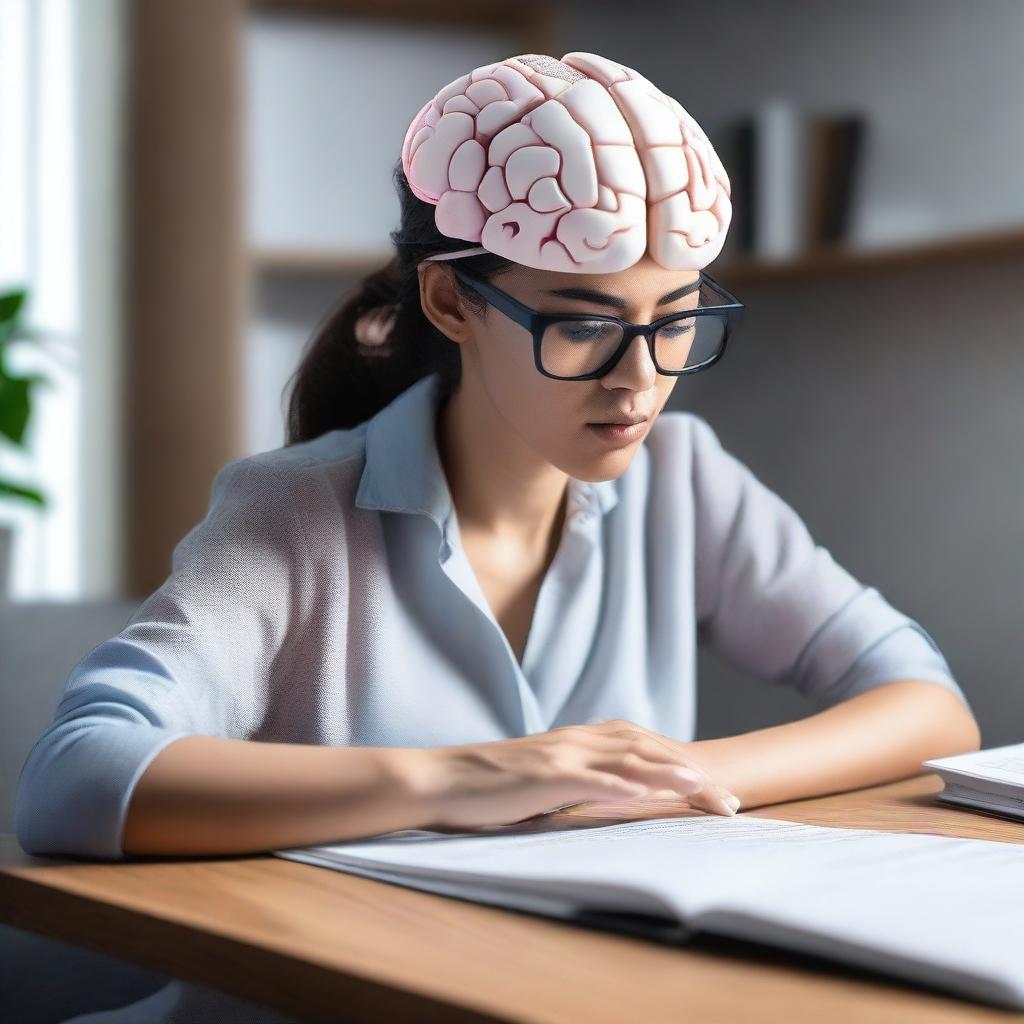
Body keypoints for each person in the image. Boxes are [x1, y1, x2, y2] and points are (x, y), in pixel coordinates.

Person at [15, 52, 979, 1024]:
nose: (638, 381)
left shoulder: (683, 478)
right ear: (450, 302)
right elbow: (76, 776)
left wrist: (667, 781)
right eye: (583, 326)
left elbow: (927, 706)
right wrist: (465, 777)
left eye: (676, 319)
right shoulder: (293, 511)